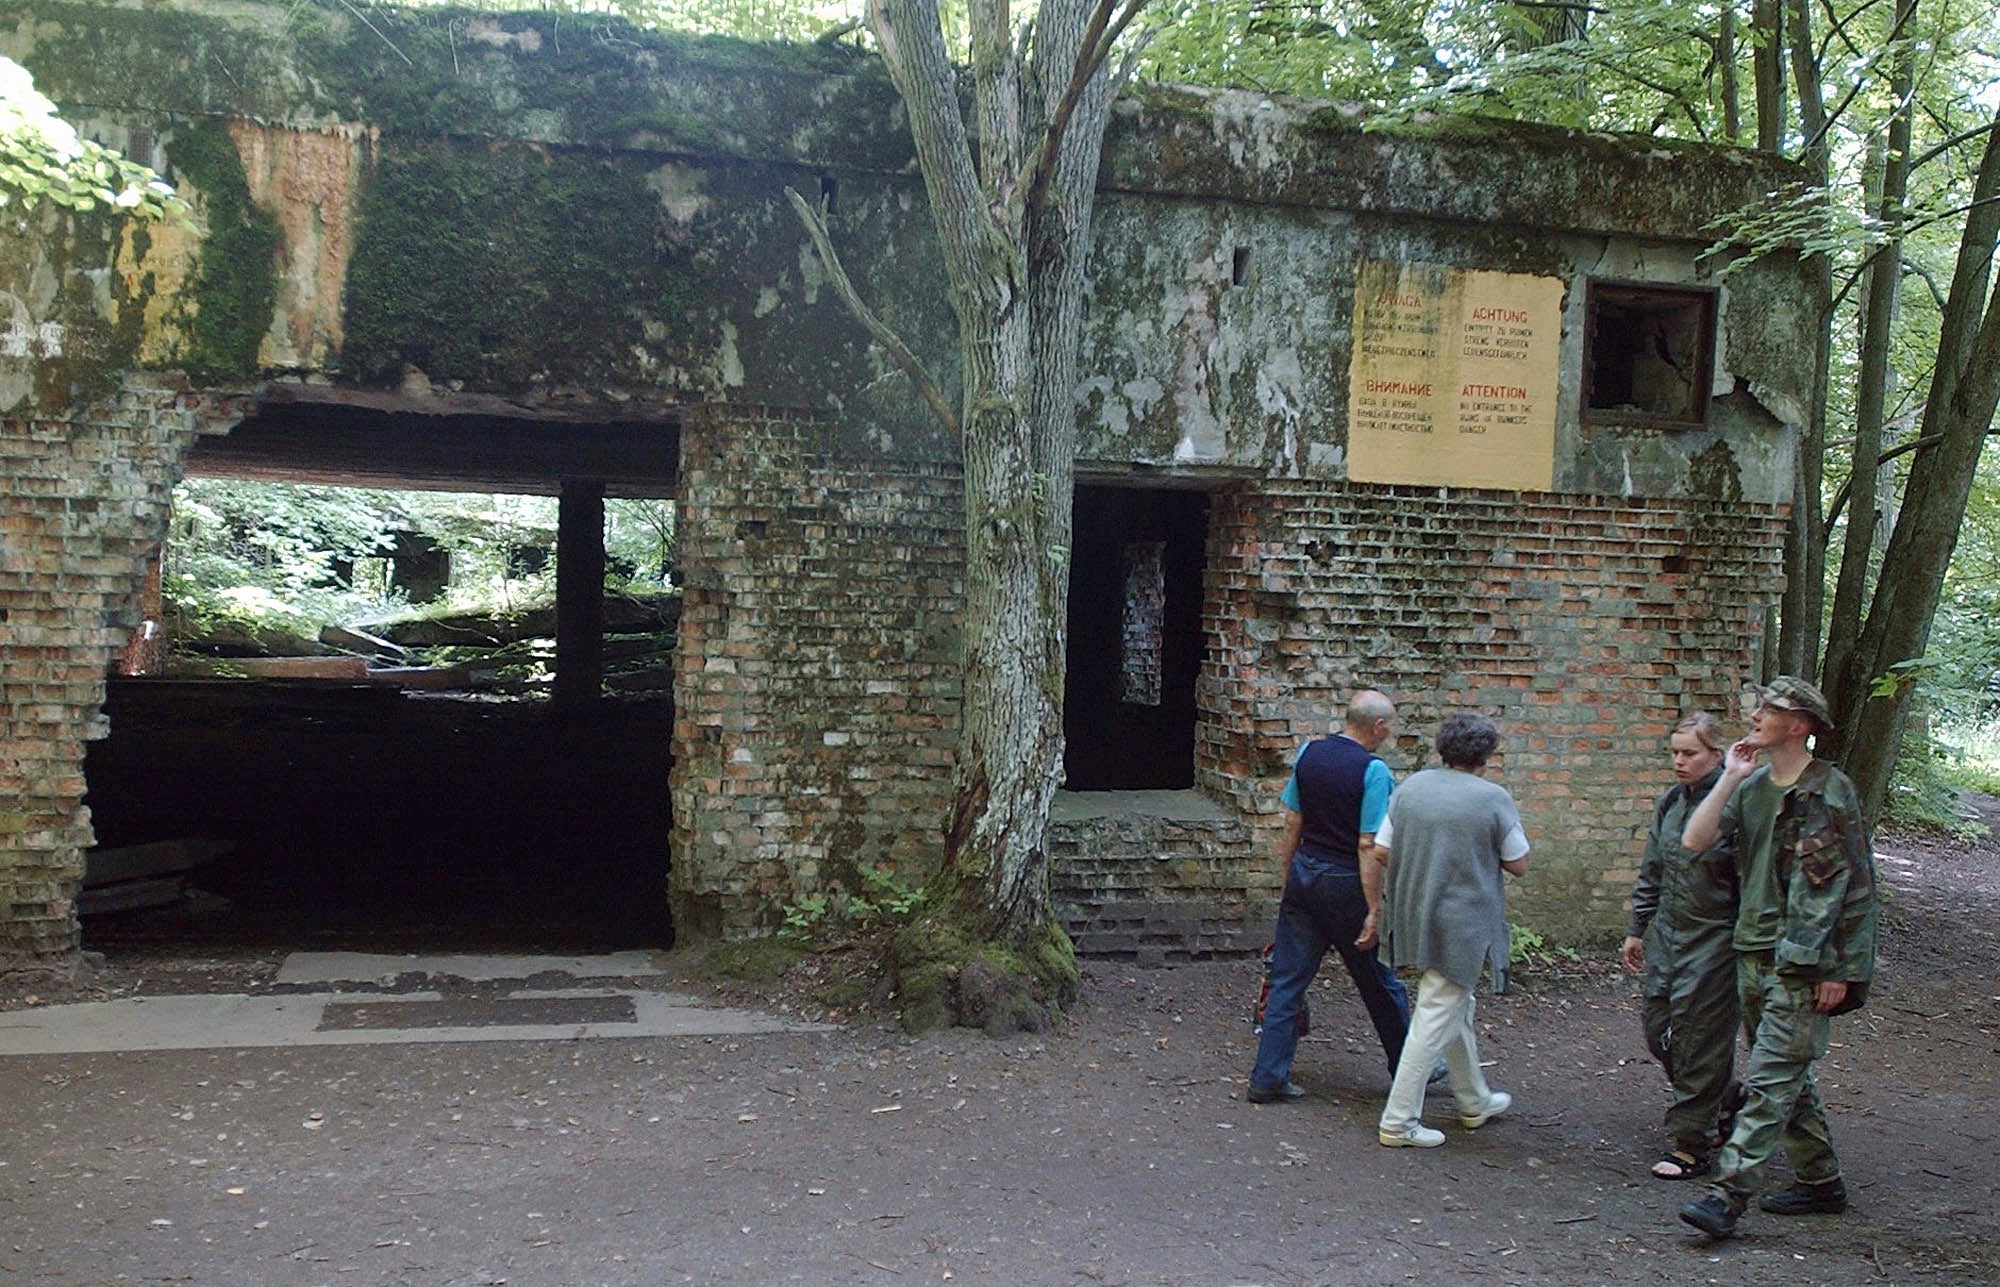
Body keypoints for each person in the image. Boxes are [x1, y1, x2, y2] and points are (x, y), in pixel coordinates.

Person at [1676, 676, 1879, 1240]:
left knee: (1768, 1079)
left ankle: (1728, 1195)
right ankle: (1820, 1181)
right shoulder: (1753, 786)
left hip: (1802, 961)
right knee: (1787, 1074)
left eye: (1772, 709)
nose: (1757, 715)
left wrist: (1840, 969)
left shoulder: (1830, 791)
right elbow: (1694, 841)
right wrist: (1732, 777)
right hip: (1751, 950)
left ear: (1800, 725)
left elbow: (1850, 889)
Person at [1244, 689, 1416, 1103]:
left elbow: (1294, 821)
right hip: (1344, 882)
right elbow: (1367, 844)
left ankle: (1267, 1077)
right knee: (1379, 981)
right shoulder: (1374, 772)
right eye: (1389, 725)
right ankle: (1410, 1071)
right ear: (1377, 726)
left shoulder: (1308, 754)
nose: (1390, 732)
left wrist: (1289, 875)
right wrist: (1374, 908)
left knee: (1287, 979)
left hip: (1306, 872)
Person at [1374, 712, 1528, 1147]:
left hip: (1412, 912)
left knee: (1454, 1002)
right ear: (1487, 755)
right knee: (1435, 1012)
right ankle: (1399, 1120)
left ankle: (1474, 1100)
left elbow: (1382, 849)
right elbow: (1518, 863)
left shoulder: (1412, 788)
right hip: (1463, 921)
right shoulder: (1492, 798)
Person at [1622, 711, 1743, 1181]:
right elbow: (1653, 867)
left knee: (1698, 1041)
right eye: (1674, 752)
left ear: (1717, 754)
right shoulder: (1672, 801)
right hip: (1668, 936)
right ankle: (1724, 1097)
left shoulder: (1734, 804)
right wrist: (1638, 927)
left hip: (1716, 940)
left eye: (1689, 753)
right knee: (1659, 1029)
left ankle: (1691, 1145)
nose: (1679, 761)